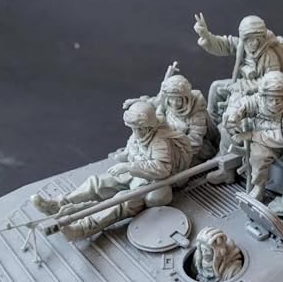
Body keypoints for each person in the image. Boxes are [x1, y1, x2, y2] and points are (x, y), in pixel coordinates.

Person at [31, 101, 191, 240]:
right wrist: (124, 157)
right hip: (132, 173)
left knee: (121, 201)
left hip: (150, 183)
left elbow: (162, 169)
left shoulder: (159, 142)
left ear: (148, 127)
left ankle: (81, 229)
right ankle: (58, 205)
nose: (135, 132)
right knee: (97, 183)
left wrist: (128, 167)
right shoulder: (138, 134)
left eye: (139, 129)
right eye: (133, 128)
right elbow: (130, 150)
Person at [194, 13, 283, 123]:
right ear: (244, 38)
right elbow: (223, 44)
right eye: (250, 39)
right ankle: (212, 122)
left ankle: (231, 125)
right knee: (216, 87)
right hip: (241, 84)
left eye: (258, 39)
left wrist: (242, 86)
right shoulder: (241, 46)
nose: (254, 43)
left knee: (235, 100)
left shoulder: (269, 55)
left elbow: (272, 82)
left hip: (262, 93)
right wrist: (206, 36)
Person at [222, 71, 283, 201]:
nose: (274, 103)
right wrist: (236, 114)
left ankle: (259, 186)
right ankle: (227, 171)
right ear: (264, 96)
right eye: (271, 99)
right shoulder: (260, 99)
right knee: (226, 131)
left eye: (278, 99)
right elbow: (245, 103)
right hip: (255, 130)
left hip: (272, 142)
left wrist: (252, 135)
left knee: (259, 156)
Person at [156, 74, 219, 166]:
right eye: (171, 99)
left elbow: (195, 141)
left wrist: (174, 154)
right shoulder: (166, 105)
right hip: (168, 145)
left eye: (178, 100)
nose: (174, 103)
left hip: (193, 152)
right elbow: (158, 116)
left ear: (186, 98)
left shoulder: (197, 113)